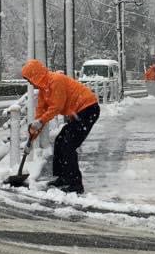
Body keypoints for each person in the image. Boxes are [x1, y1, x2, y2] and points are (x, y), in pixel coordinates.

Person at [21, 59, 100, 194]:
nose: (30, 83)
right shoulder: (43, 91)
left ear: (36, 76)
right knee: (59, 141)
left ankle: (76, 184)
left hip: (88, 109)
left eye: (29, 79)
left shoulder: (56, 80)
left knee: (68, 145)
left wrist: (41, 121)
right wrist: (33, 134)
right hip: (77, 113)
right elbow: (40, 113)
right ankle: (63, 177)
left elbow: (57, 106)